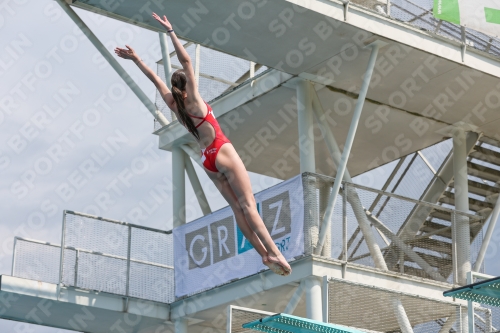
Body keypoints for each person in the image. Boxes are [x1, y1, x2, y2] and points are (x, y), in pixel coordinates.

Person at [114, 12, 291, 276]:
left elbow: (155, 80)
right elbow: (185, 60)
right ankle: (275, 251)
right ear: (186, 85)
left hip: (207, 159)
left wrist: (137, 59)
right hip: (221, 149)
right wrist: (171, 31)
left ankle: (263, 255)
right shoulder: (193, 100)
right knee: (249, 205)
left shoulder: (175, 106)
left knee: (236, 209)